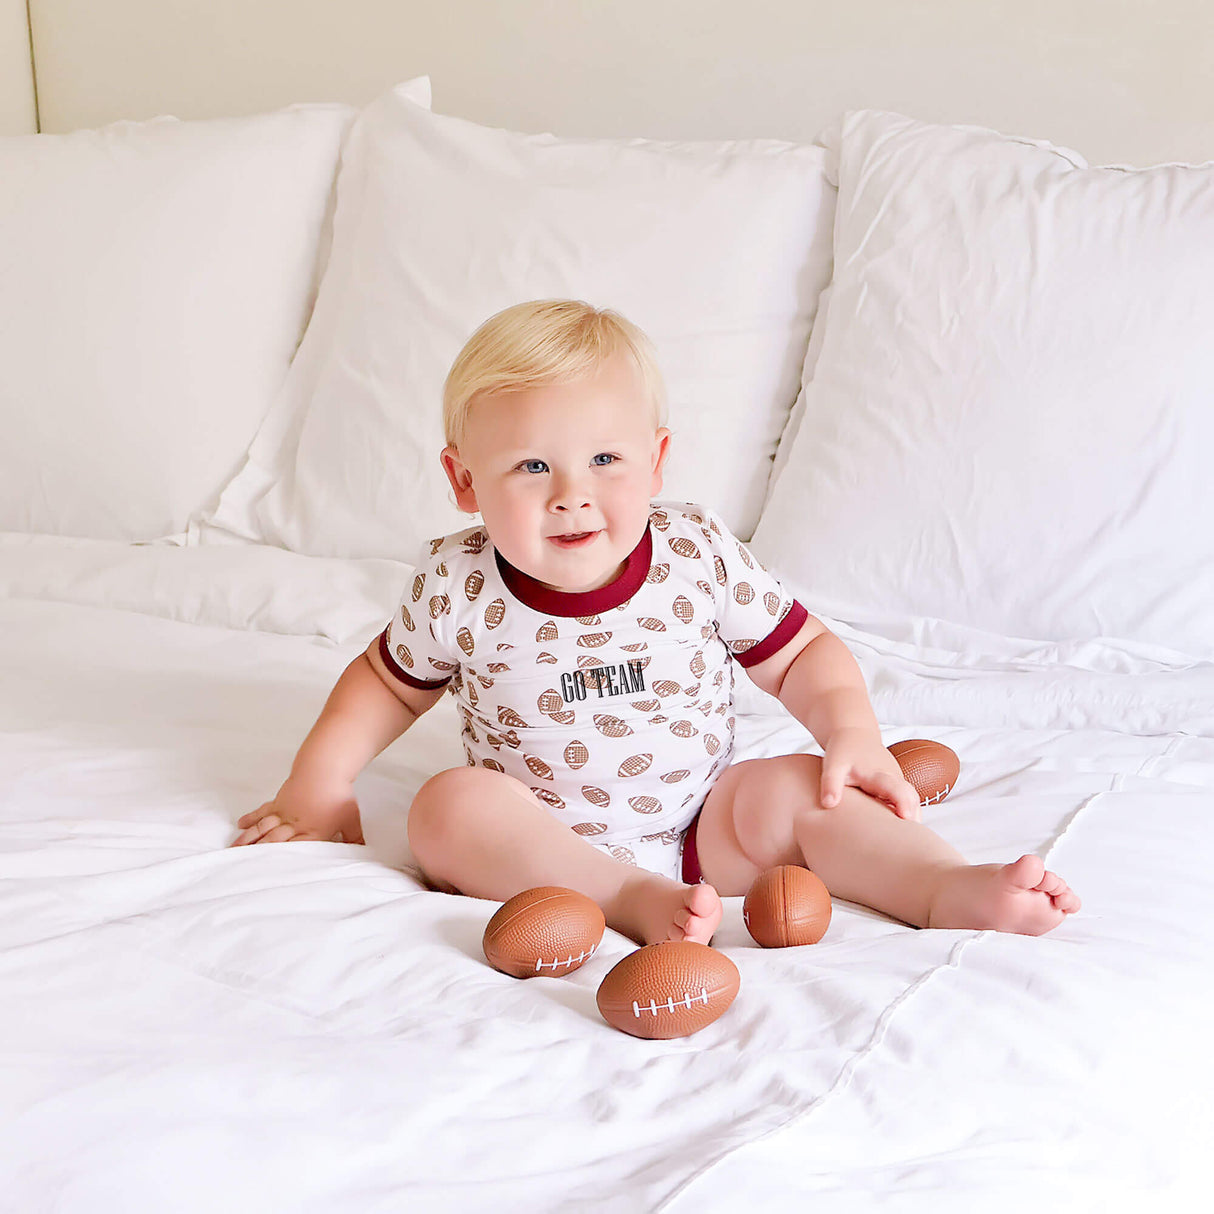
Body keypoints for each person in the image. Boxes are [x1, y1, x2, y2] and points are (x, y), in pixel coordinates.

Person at [231, 299, 1080, 944]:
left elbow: (803, 654)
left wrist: (853, 734)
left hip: (709, 824)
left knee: (803, 786)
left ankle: (945, 889)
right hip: (544, 842)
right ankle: (624, 899)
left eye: (604, 459)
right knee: (445, 809)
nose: (572, 492)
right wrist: (320, 782)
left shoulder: (695, 553)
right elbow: (383, 686)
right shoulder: (458, 583)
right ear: (464, 483)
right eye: (531, 466)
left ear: (657, 461)